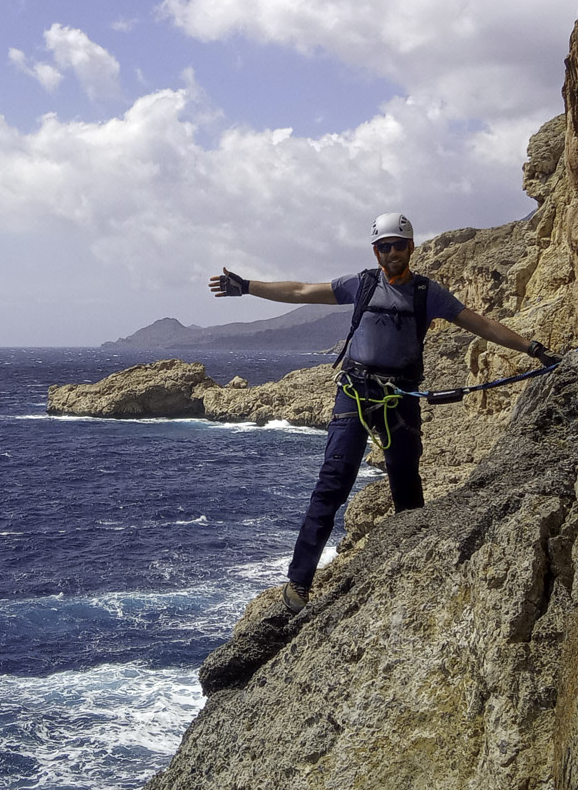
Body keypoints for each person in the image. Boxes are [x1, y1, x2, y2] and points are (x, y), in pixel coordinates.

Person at [208, 212, 557, 612]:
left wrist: (533, 349)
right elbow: (303, 290)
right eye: (383, 246)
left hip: (400, 397)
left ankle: (416, 564)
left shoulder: (428, 293)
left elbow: (480, 324)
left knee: (406, 481)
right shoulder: (362, 284)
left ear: (411, 247)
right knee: (333, 484)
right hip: (355, 393)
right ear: (376, 251)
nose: (391, 253)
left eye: (398, 245)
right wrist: (247, 287)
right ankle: (298, 584)